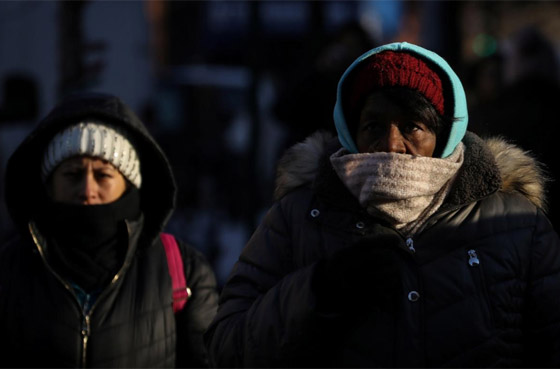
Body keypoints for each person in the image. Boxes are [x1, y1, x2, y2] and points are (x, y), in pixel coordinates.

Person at [204, 42, 560, 367]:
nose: (391, 144)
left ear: (445, 134)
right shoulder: (298, 217)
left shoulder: (515, 224)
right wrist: (317, 289)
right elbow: (227, 346)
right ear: (351, 131)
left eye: (412, 126)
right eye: (373, 125)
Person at [0, 92, 219, 367]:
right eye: (72, 174)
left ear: (128, 184)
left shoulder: (183, 272)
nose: (87, 190)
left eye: (103, 175)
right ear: (49, 185)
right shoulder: (10, 270)